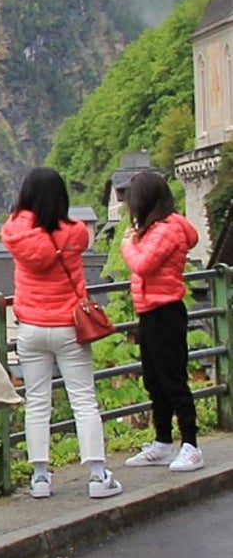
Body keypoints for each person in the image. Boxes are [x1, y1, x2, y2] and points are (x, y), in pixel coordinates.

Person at [0, 167, 120, 501]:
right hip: (69, 326)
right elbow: (76, 232)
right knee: (83, 400)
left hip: (31, 328)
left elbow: (14, 225)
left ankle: (40, 477)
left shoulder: (15, 234)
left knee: (37, 403)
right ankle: (97, 475)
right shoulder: (76, 233)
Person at [119, 169, 202, 471]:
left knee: (173, 380)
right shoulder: (158, 228)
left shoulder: (167, 230)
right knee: (155, 380)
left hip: (165, 312)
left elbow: (142, 264)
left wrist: (128, 243)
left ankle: (191, 444)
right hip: (150, 311)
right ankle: (163, 440)